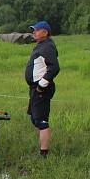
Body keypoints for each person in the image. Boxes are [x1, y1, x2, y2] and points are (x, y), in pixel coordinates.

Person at [25, 21, 60, 157]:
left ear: (45, 33)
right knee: (34, 119)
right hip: (35, 89)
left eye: (36, 30)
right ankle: (42, 147)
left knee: (40, 120)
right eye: (33, 30)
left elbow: (54, 68)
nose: (34, 32)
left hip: (41, 89)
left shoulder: (47, 47)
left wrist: (41, 86)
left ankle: (44, 154)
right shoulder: (42, 45)